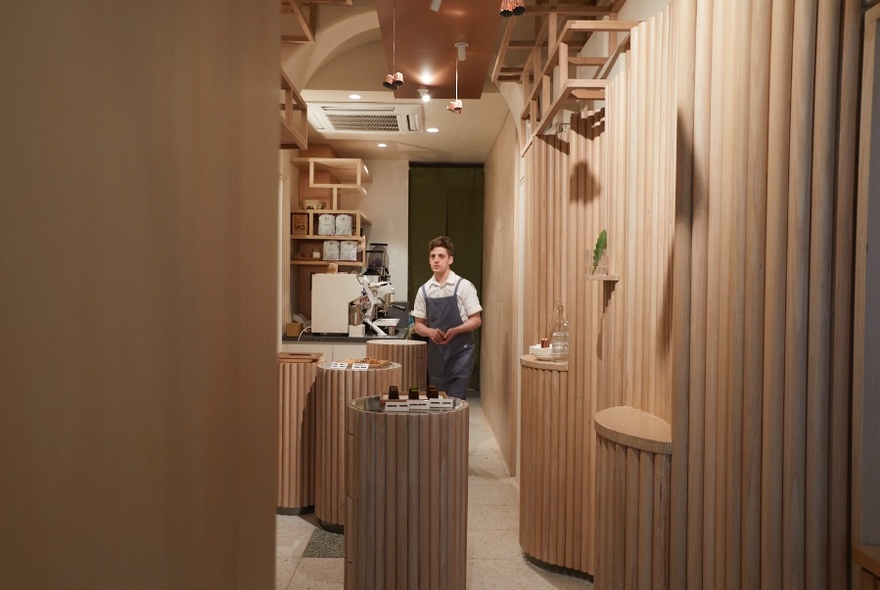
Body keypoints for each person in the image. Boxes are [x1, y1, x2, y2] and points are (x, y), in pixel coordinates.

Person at [411, 236, 482, 399]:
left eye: (441, 256)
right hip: (437, 356)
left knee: (455, 401)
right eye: (432, 256)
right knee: (437, 402)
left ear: (450, 259)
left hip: (461, 353)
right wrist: (430, 332)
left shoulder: (463, 286)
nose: (436, 260)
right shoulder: (424, 291)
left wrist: (456, 330)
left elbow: (476, 319)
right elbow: (418, 325)